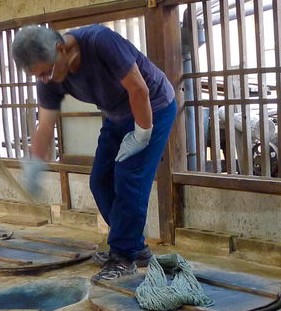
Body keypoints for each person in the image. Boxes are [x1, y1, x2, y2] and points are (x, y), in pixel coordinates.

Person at [12, 24, 176, 284]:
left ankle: (123, 257)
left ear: (60, 48)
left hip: (153, 106)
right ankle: (135, 245)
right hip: (117, 114)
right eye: (38, 76)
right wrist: (35, 163)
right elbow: (45, 124)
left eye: (45, 72)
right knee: (99, 180)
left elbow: (139, 90)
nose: (44, 80)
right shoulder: (51, 75)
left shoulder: (101, 42)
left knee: (129, 178)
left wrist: (142, 135)